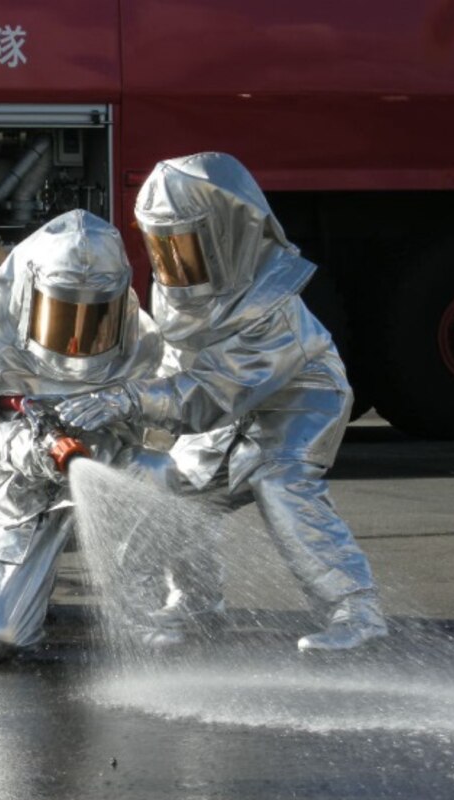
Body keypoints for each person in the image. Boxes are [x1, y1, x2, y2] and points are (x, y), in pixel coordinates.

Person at [56, 152, 389, 652]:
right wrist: (135, 415)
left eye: (184, 244)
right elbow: (178, 366)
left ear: (225, 232)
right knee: (177, 490)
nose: (172, 259)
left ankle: (355, 613)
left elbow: (214, 391)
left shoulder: (269, 302)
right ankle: (196, 605)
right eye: (162, 245)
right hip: (224, 400)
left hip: (299, 394)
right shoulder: (178, 289)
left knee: (280, 483)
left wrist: (130, 399)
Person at [0, 209, 165, 661]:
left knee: (181, 478)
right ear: (27, 295)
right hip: (13, 491)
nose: (78, 335)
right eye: (63, 313)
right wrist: (23, 447)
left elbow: (171, 426)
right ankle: (18, 591)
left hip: (107, 477)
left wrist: (122, 410)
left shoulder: (143, 343)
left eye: (95, 316)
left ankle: (159, 604)